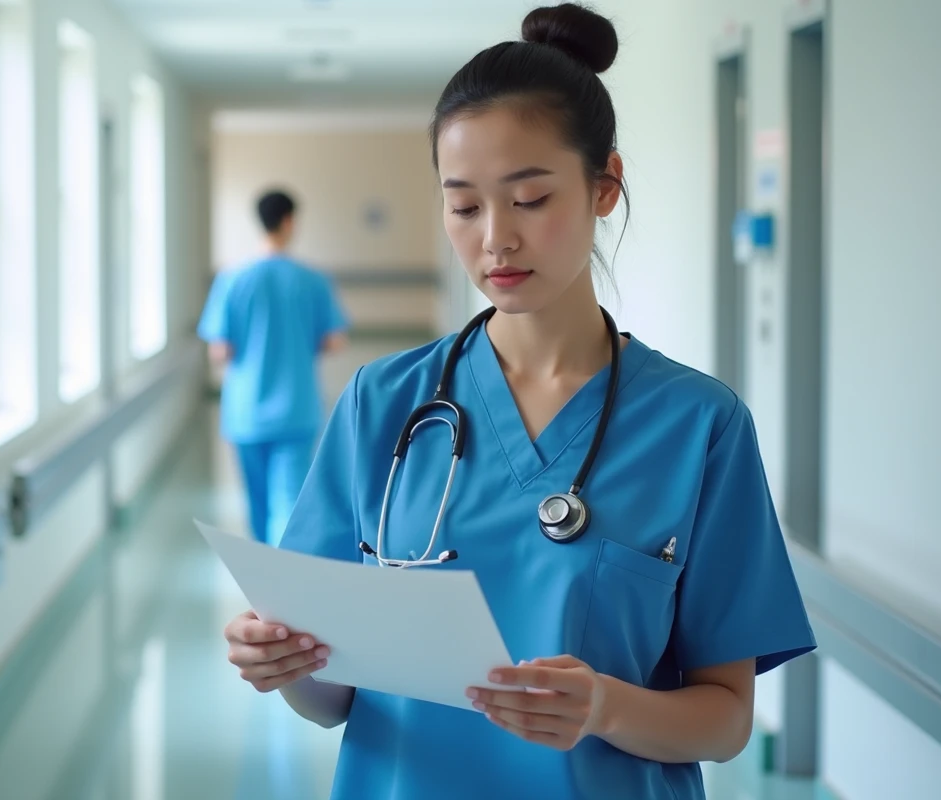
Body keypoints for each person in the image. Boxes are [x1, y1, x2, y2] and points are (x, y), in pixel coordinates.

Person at [221, 4, 817, 798]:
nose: (495, 238)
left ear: (605, 186)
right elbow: (331, 701)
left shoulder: (698, 425)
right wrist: (285, 665)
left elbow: (726, 717)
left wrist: (604, 707)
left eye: (529, 198)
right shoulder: (382, 403)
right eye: (464, 206)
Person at [197, 189, 349, 546]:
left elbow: (219, 351)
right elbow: (335, 341)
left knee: (258, 504)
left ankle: (263, 564)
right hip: (297, 409)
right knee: (290, 501)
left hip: (246, 412)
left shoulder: (232, 279)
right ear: (289, 221)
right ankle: (284, 569)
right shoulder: (313, 280)